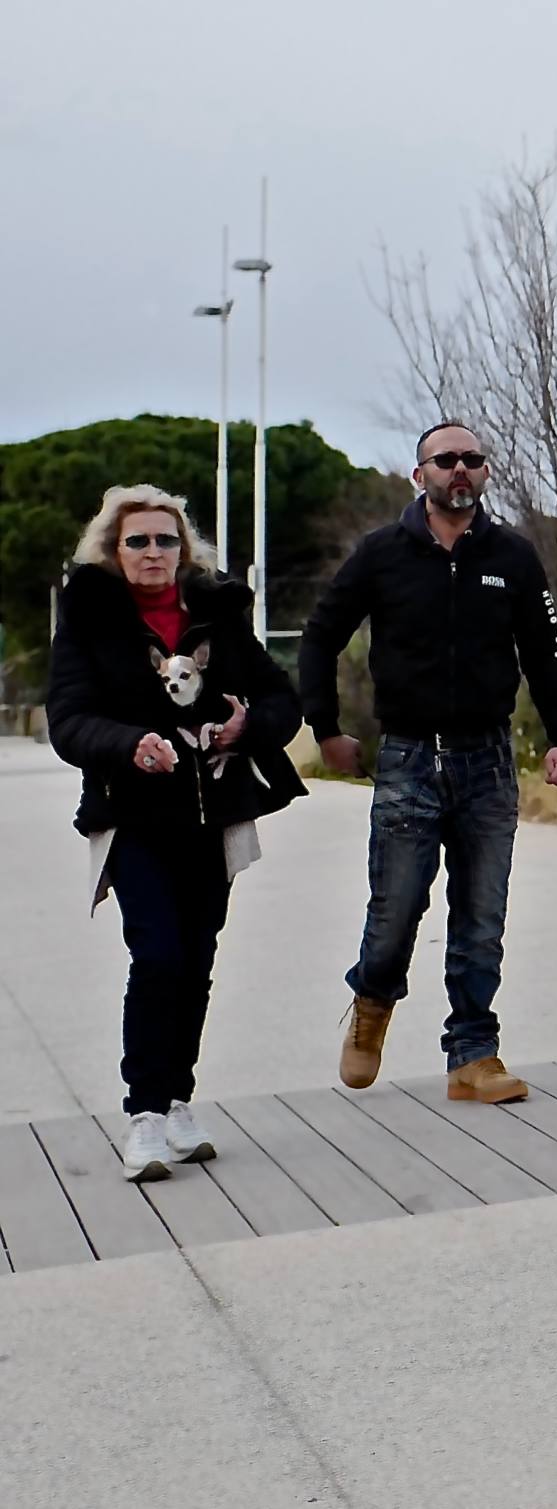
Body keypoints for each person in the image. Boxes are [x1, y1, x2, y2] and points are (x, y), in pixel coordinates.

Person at [299, 423, 557, 1104]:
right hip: (407, 760)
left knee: (481, 917)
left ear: (485, 474)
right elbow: (319, 636)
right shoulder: (381, 555)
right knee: (395, 913)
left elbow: (545, 651)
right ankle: (371, 1003)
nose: (460, 469)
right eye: (446, 459)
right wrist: (327, 728)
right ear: (419, 472)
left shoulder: (511, 556)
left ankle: (473, 1056)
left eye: (473, 460)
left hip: (488, 761)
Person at [45, 484, 307, 1181]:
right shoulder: (90, 619)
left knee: (195, 959)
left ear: (183, 548)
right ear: (113, 549)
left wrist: (248, 724)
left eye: (165, 539)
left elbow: (283, 698)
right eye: (138, 541)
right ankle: (145, 1115)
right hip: (133, 820)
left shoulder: (218, 615)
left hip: (210, 821)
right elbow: (68, 721)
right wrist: (131, 742)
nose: (153, 552)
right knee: (157, 954)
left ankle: (180, 1100)